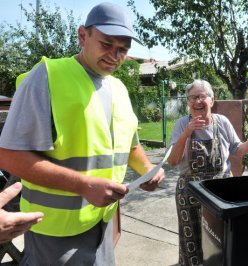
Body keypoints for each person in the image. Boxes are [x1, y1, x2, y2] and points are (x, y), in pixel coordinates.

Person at [0, 2, 164, 265]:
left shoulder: (119, 89)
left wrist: (148, 168)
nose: (114, 55)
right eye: (106, 44)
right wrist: (84, 185)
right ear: (82, 36)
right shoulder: (47, 76)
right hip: (54, 232)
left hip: (103, 222)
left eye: (122, 49)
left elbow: (131, 146)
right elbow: (8, 155)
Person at [167, 79, 248, 265]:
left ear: (212, 100)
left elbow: (238, 150)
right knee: (191, 242)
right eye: (192, 98)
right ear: (188, 102)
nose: (197, 101)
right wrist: (187, 133)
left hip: (221, 195)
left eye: (202, 96)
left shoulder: (222, 122)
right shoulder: (181, 124)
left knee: (220, 241)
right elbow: (172, 161)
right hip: (190, 194)